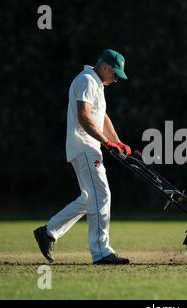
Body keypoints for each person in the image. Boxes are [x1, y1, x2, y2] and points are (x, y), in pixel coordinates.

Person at [34, 49, 132, 265]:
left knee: (90, 199)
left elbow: (101, 116)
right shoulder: (87, 80)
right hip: (84, 145)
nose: (116, 79)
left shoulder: (97, 84)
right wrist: (107, 143)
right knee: (102, 194)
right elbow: (84, 117)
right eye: (115, 74)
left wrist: (117, 141)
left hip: (88, 147)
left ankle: (48, 232)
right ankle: (101, 252)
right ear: (104, 67)